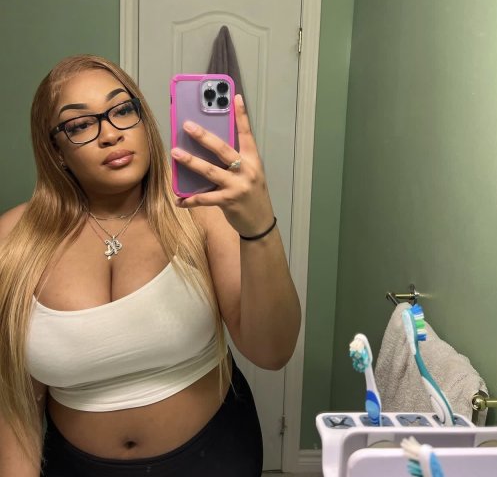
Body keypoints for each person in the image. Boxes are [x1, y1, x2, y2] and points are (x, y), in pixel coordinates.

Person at [0, 54, 301, 477]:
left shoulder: (199, 211)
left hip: (215, 458)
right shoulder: (13, 241)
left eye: (123, 109)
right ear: (57, 152)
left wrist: (258, 227)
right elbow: (15, 408)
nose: (111, 133)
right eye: (80, 125)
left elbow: (272, 351)